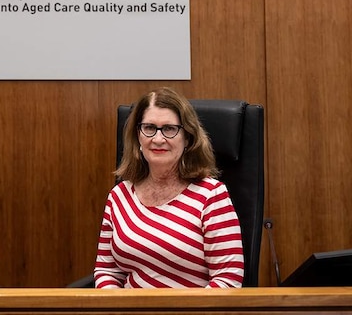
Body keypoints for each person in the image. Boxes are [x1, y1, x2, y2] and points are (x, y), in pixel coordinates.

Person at [94, 87, 244, 288]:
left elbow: (228, 278)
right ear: (138, 136)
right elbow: (107, 271)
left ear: (188, 138)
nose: (157, 139)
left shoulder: (211, 196)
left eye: (169, 129)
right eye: (149, 128)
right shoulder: (119, 196)